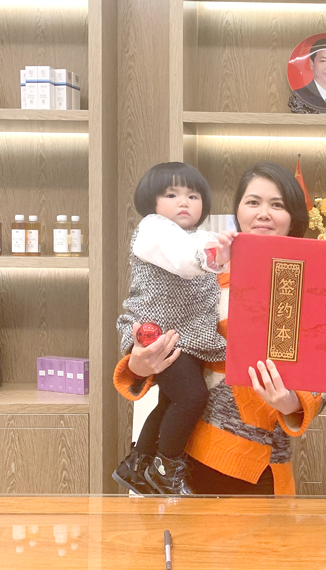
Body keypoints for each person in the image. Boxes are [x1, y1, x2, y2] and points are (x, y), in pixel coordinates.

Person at [113, 162, 326, 495]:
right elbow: (152, 321)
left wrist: (289, 402)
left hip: (255, 464)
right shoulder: (204, 269)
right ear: (238, 210)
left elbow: (320, 380)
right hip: (183, 452)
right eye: (253, 202)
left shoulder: (311, 282)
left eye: (277, 204)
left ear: (294, 216)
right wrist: (139, 363)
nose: (263, 213)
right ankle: (146, 464)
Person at [114, 162, 235, 495]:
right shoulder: (153, 229)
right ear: (151, 201)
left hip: (189, 337)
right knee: (192, 397)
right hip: (160, 335)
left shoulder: (199, 237)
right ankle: (166, 469)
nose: (184, 202)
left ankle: (137, 465)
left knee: (170, 402)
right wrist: (217, 255)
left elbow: (209, 255)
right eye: (172, 195)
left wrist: (225, 251)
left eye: (193, 196)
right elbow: (184, 260)